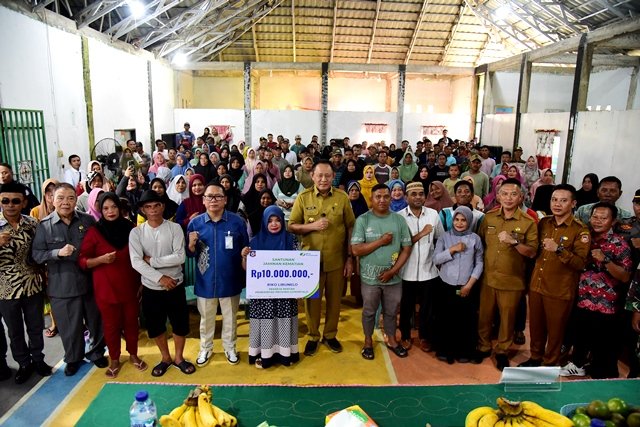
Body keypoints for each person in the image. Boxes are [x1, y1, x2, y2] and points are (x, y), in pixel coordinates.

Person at [32, 183, 107, 376]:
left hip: (90, 283)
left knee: (96, 322)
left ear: (76, 200)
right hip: (62, 286)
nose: (66, 202)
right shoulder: (45, 226)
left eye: (70, 198)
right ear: (52, 200)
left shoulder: (88, 220)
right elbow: (37, 255)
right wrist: (57, 253)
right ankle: (73, 358)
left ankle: (97, 353)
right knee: (69, 327)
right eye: (61, 198)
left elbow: (100, 245)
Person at [289, 160, 355, 356]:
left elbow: (351, 227)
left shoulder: (342, 198)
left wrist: (350, 258)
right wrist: (312, 226)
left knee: (335, 301)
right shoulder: (303, 198)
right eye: (320, 175)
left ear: (333, 176)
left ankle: (330, 335)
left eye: (327, 175)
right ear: (312, 176)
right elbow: (292, 225)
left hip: (337, 260)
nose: (324, 179)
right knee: (312, 302)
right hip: (311, 261)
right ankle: (313, 336)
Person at [519, 184, 590, 368]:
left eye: (563, 200)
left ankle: (550, 363)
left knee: (556, 330)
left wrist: (559, 249)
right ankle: (535, 357)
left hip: (560, 290)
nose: (557, 204)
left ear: (573, 203)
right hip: (537, 284)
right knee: (536, 326)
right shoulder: (544, 223)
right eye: (554, 200)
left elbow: (580, 263)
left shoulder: (580, 230)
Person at [560, 202, 633, 378]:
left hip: (605, 304)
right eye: (595, 217)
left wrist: (605, 260)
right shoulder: (585, 237)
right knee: (580, 336)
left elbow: (625, 276)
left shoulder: (619, 244)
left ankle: (603, 375)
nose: (598, 221)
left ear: (613, 221)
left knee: (603, 348)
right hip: (582, 299)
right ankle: (578, 364)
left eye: (603, 218)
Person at [78, 193, 146, 378]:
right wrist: (100, 260)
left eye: (114, 207)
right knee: (111, 326)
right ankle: (115, 359)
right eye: (106, 208)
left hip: (130, 286)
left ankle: (133, 355)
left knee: (132, 323)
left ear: (119, 207)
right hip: (106, 289)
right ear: (100, 210)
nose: (110, 211)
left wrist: (141, 282)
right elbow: (82, 261)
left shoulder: (131, 229)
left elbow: (141, 256)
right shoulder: (95, 232)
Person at [129, 190, 194, 377]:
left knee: (179, 323)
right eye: (148, 207)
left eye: (156, 205)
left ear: (163, 206)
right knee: (156, 325)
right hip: (151, 287)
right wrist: (160, 278)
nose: (153, 210)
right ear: (143, 210)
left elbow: (180, 257)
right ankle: (165, 357)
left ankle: (179, 358)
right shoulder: (136, 232)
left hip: (175, 284)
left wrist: (152, 260)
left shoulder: (174, 228)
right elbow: (136, 262)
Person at [476, 178, 538, 370]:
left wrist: (515, 242)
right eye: (504, 194)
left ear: (521, 197)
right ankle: (483, 346)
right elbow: (481, 243)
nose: (508, 198)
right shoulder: (489, 218)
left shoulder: (528, 222)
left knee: (507, 319)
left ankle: (502, 351)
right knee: (484, 316)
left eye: (513, 194)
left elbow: (532, 252)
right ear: (498, 196)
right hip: (488, 278)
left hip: (512, 280)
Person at [187, 182, 248, 367]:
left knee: (230, 317)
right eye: (209, 197)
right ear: (203, 200)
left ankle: (230, 347)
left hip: (230, 279)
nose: (213, 200)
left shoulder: (237, 222)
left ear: (225, 200)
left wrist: (245, 253)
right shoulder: (195, 223)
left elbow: (245, 248)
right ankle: (206, 348)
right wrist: (190, 245)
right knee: (206, 318)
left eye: (218, 196)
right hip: (205, 281)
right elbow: (190, 253)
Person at [352, 184, 412, 360]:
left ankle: (392, 340)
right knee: (369, 311)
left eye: (386, 196)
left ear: (391, 199)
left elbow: (406, 249)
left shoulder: (399, 220)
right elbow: (356, 249)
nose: (382, 200)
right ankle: (368, 341)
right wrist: (380, 241)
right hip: (370, 278)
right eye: (378, 196)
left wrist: (392, 271)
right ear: (371, 199)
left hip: (393, 278)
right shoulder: (363, 220)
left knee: (391, 311)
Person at [0, 182, 52, 383]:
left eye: (15, 201)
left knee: (36, 326)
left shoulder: (32, 224)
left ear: (23, 203)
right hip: (5, 288)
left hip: (32, 284)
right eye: (5, 201)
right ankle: (24, 363)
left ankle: (38, 359)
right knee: (14, 331)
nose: (10, 205)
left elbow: (41, 251)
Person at [241, 206, 299, 368]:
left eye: (277, 220)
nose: (274, 224)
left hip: (285, 293)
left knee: (284, 321)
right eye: (270, 221)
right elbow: (247, 269)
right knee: (265, 323)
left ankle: (285, 354)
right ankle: (265, 354)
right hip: (263, 295)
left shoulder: (291, 240)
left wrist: (301, 287)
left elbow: (300, 264)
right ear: (264, 222)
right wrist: (244, 257)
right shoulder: (255, 242)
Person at [432, 206, 484, 364]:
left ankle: (464, 351)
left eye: (463, 220)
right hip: (446, 285)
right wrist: (452, 250)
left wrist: (469, 284)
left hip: (467, 285)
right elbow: (436, 259)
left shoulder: (475, 239)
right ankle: (446, 350)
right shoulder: (444, 237)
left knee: (465, 320)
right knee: (447, 319)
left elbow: (479, 263)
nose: (459, 223)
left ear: (469, 221)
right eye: (456, 219)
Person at [398, 182, 444, 353]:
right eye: (413, 194)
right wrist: (422, 233)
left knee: (427, 308)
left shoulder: (433, 214)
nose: (418, 197)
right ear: (406, 197)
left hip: (429, 270)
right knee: (406, 307)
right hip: (406, 271)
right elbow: (399, 245)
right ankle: (405, 335)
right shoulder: (399, 217)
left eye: (421, 194)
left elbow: (440, 238)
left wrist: (437, 260)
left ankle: (425, 336)